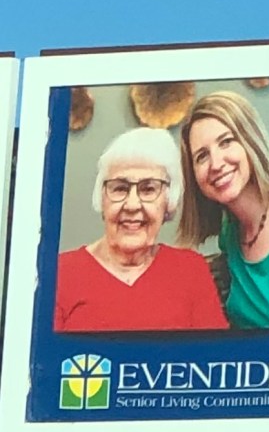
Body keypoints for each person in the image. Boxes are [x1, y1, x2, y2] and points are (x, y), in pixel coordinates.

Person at [55, 127, 229, 332]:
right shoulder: (61, 272)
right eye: (120, 188)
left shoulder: (191, 270)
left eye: (148, 189)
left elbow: (212, 350)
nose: (132, 205)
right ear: (102, 198)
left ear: (168, 202)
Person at [178, 91, 269, 329]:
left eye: (226, 142)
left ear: (250, 140)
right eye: (202, 156)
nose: (216, 164)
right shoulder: (229, 233)